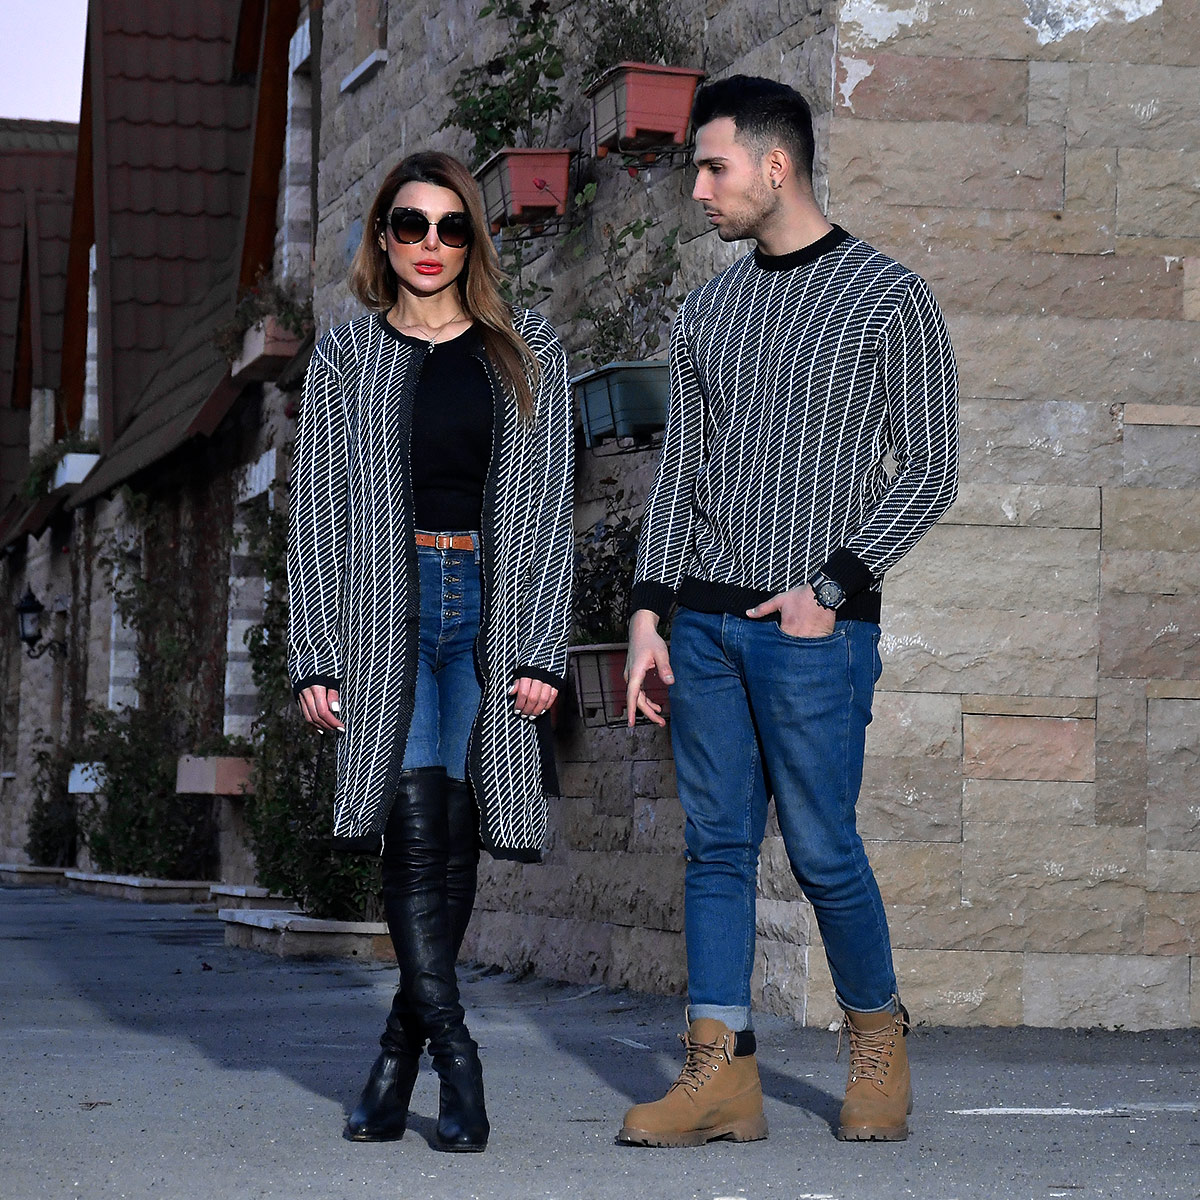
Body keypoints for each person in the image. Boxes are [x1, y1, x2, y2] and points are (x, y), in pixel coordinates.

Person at [621, 76, 959, 1147]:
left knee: (821, 851)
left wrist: (832, 589)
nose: (699, 191)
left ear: (777, 165)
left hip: (815, 632)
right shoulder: (706, 310)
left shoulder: (889, 297)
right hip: (705, 629)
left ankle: (878, 1040)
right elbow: (681, 476)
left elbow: (931, 469)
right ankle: (719, 1074)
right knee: (716, 849)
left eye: (712, 167)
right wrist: (648, 614)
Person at [287, 151, 573, 1153]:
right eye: (411, 225)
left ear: (471, 242)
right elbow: (316, 512)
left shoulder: (528, 350)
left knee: (455, 836)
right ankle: (458, 1056)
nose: (431, 245)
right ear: (384, 235)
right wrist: (315, 652)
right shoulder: (347, 355)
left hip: (486, 611)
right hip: (383, 613)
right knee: (413, 831)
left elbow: (550, 511)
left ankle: (394, 1057)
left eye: (452, 228)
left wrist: (541, 646)